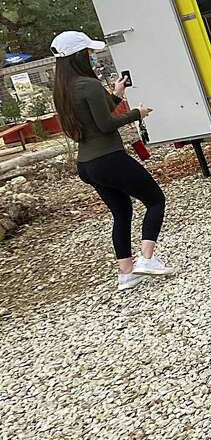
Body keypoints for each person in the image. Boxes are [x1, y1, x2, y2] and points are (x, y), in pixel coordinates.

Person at [50, 31, 170, 292]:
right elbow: (105, 125)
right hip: (108, 158)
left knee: (122, 211)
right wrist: (137, 113)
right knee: (155, 200)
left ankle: (126, 273)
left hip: (87, 165)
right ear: (79, 56)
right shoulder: (88, 84)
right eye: (89, 53)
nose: (92, 57)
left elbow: (94, 118)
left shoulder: (62, 90)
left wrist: (116, 94)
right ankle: (147, 259)